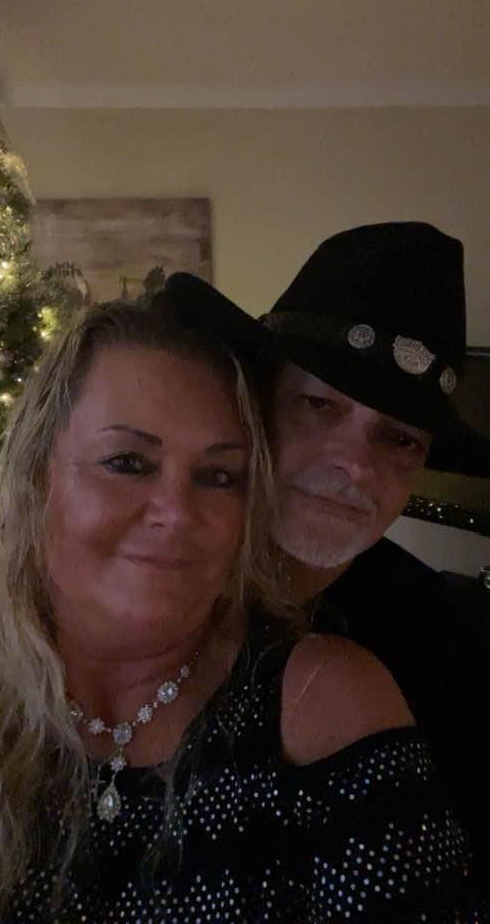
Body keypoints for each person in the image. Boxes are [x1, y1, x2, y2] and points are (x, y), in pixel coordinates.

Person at [0, 292, 486, 923]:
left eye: (217, 476)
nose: (177, 513)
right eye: (127, 463)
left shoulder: (340, 691)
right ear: (36, 476)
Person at [165, 221, 490, 892]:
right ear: (254, 408)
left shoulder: (446, 652)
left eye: (399, 439)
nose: (355, 465)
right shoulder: (150, 577)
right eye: (318, 404)